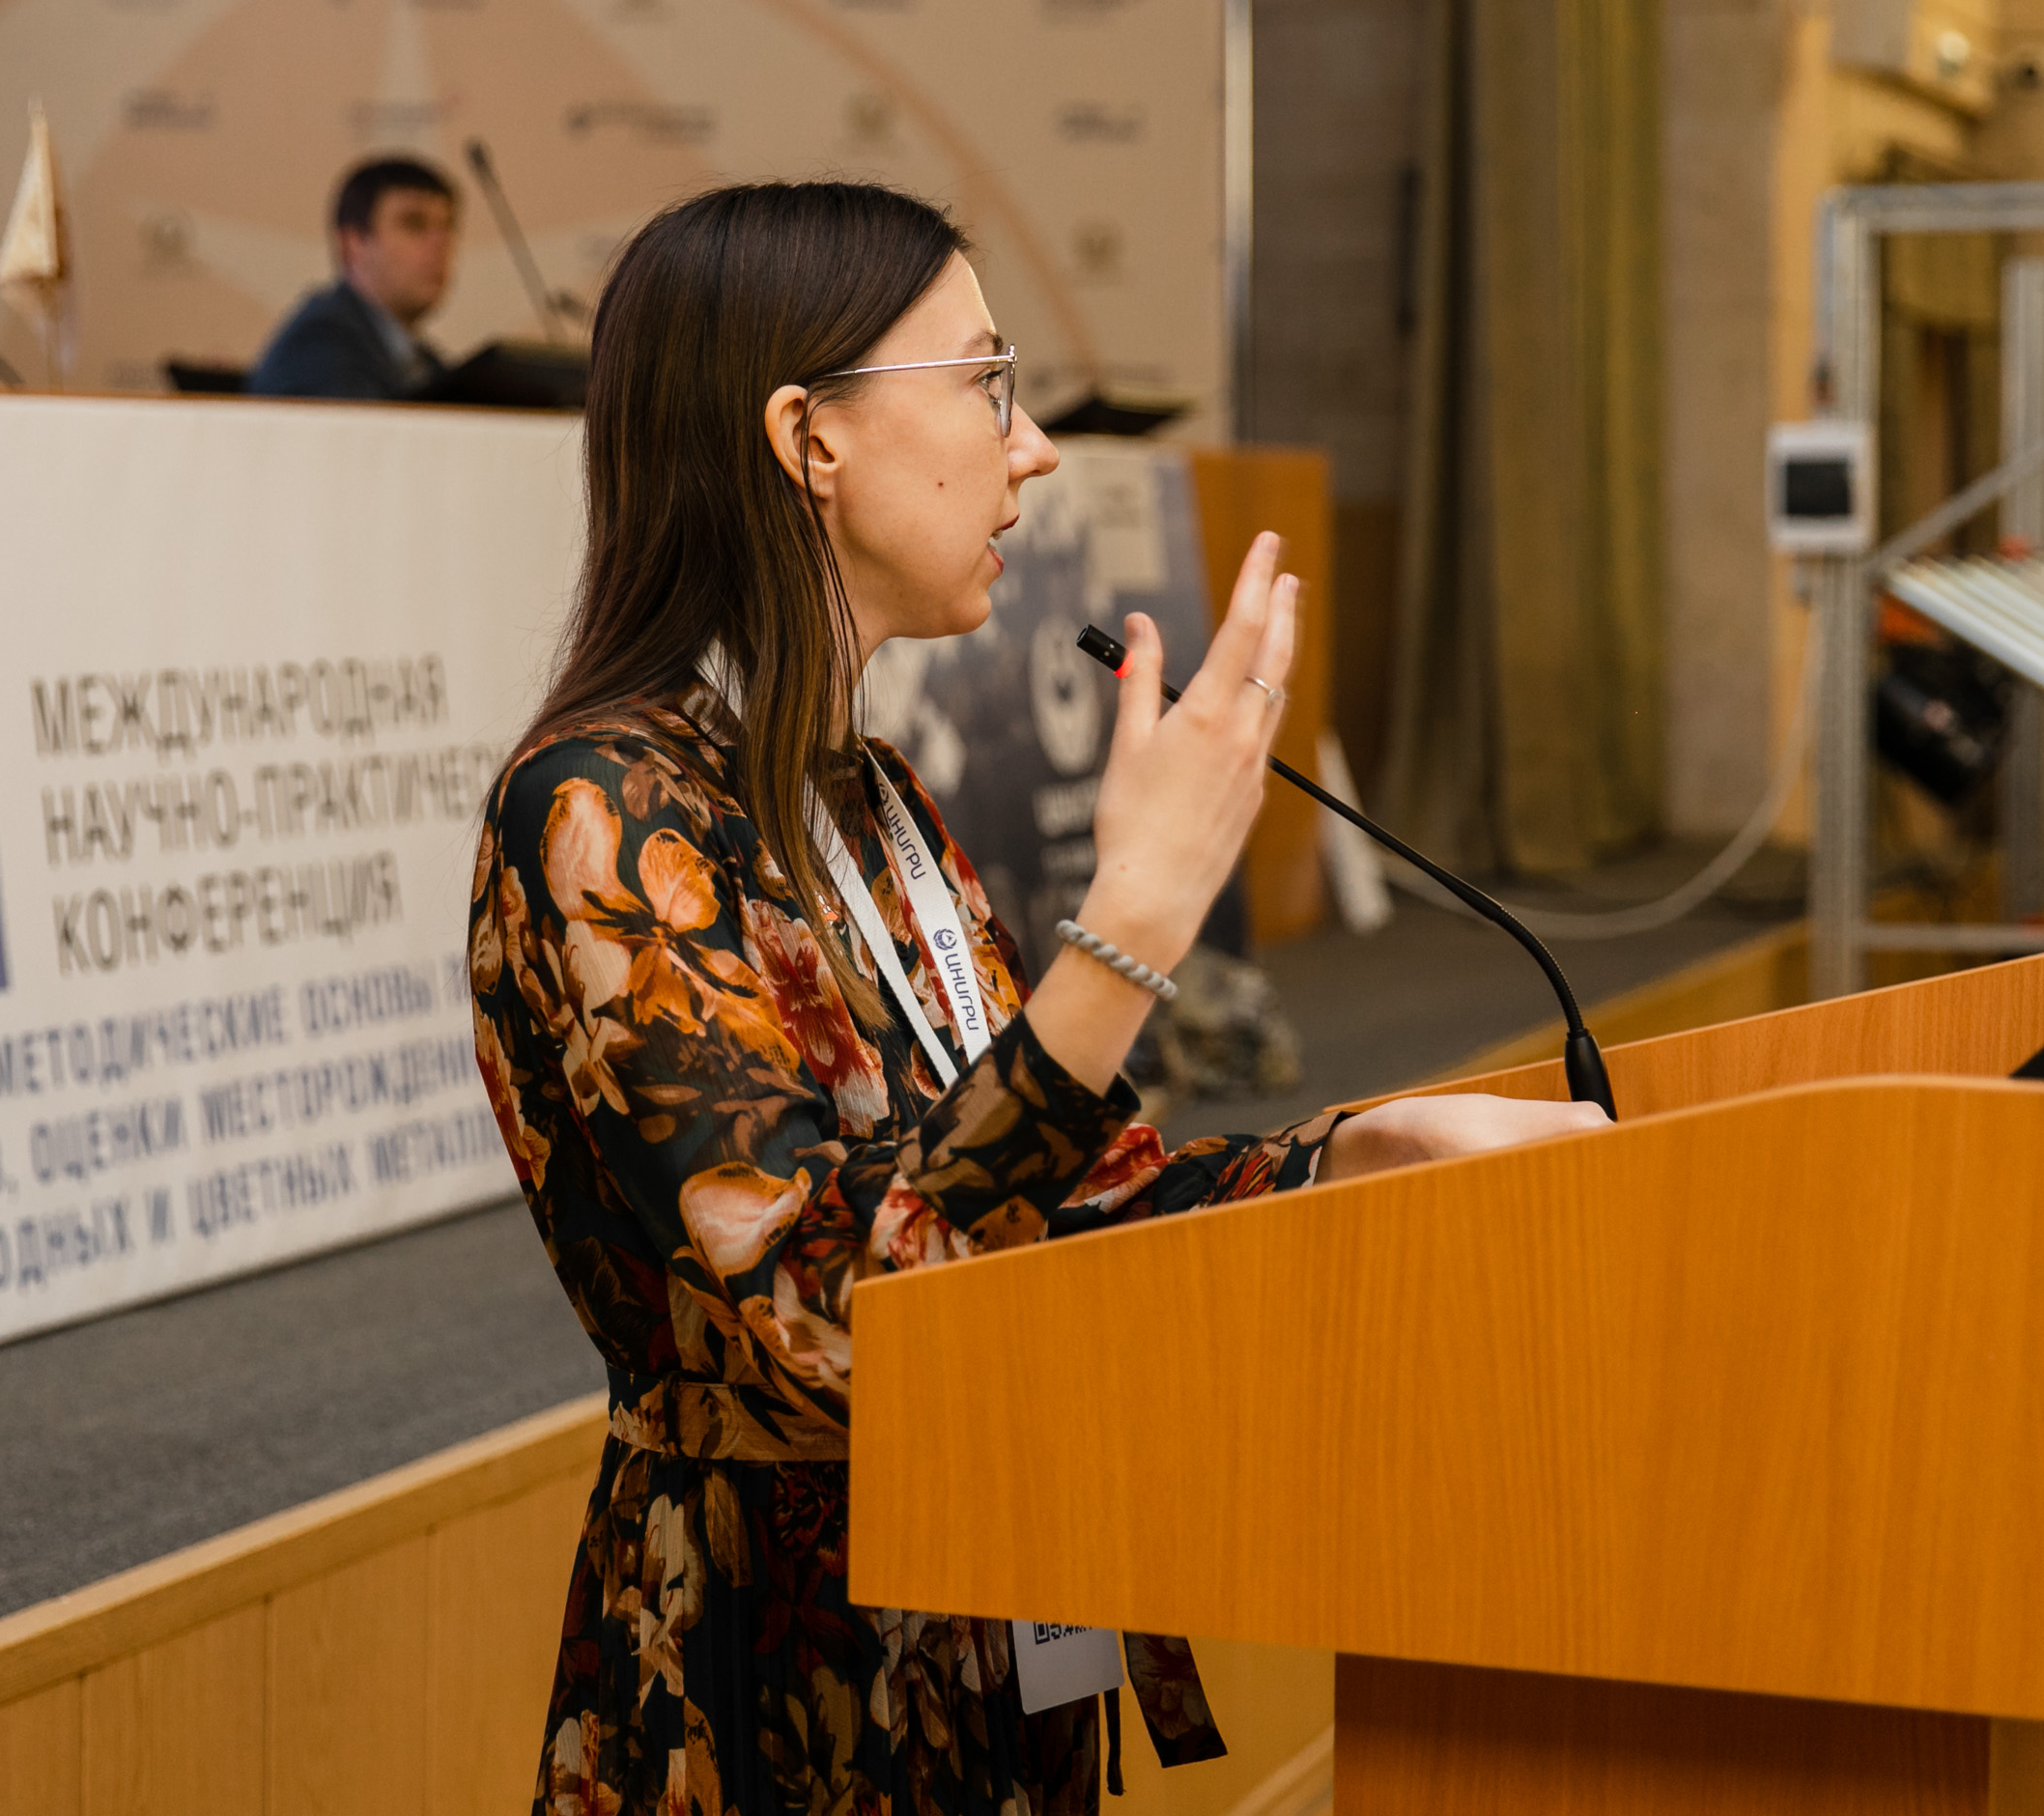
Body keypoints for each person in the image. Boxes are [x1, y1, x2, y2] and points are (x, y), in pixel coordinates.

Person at [468, 180, 1605, 1816]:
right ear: (809, 438)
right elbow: (831, 1319)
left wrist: (1355, 1155)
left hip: (978, 1636)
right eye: (985, 384)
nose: (1036, 447)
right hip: (769, 1682)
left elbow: (1044, 1208)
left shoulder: (872, 801)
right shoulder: (598, 815)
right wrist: (1131, 924)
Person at [246, 156, 457, 400]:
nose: (439, 243)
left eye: (447, 226)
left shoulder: (426, 362)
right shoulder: (319, 347)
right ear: (353, 244)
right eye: (414, 224)